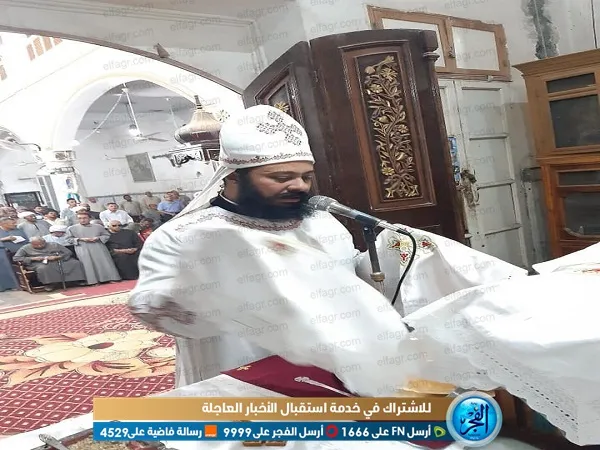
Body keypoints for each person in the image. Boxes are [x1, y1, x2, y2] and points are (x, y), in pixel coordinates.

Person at [129, 105, 524, 392]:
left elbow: (350, 281)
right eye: (281, 177)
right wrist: (217, 286)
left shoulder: (321, 221)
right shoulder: (186, 235)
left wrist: (392, 254)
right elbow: (154, 310)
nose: (299, 186)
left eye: (305, 176)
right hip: (241, 371)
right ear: (235, 176)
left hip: (332, 370)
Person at [13, 237, 86, 291]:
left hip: (58, 260)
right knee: (43, 268)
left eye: (42, 244)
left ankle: (78, 280)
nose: (40, 246)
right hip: (38, 262)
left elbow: (68, 252)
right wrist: (33, 258)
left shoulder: (54, 244)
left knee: (75, 263)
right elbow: (16, 258)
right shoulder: (25, 248)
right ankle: (49, 284)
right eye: (36, 245)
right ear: (31, 243)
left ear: (45, 241)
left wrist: (58, 257)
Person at [66, 213, 121, 285]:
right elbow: (68, 239)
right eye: (80, 218)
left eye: (85, 218)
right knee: (88, 264)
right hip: (83, 247)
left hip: (98, 246)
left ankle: (111, 278)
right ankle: (93, 281)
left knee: (104, 262)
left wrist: (98, 238)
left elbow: (106, 235)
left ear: (89, 218)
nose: (82, 220)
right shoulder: (71, 228)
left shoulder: (98, 226)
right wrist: (81, 239)